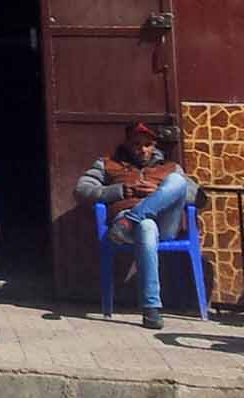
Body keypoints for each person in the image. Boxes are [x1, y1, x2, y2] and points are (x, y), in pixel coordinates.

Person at [73, 121, 194, 329]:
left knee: (178, 182)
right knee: (146, 226)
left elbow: (197, 196)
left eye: (147, 144)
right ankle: (151, 309)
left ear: (154, 146)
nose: (142, 149)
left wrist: (159, 190)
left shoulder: (170, 168)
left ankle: (133, 219)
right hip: (129, 220)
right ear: (128, 144)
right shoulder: (108, 164)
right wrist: (122, 190)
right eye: (137, 144)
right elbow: (81, 190)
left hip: (164, 223)